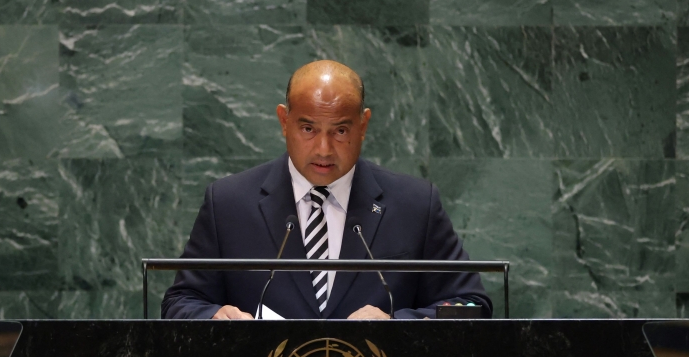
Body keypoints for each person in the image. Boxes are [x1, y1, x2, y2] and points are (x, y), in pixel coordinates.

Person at [161, 60, 490, 320]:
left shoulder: (415, 205)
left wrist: (397, 325)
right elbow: (181, 302)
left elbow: (473, 306)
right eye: (307, 128)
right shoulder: (229, 203)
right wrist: (214, 315)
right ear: (283, 121)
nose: (323, 149)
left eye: (341, 130)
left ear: (363, 126)